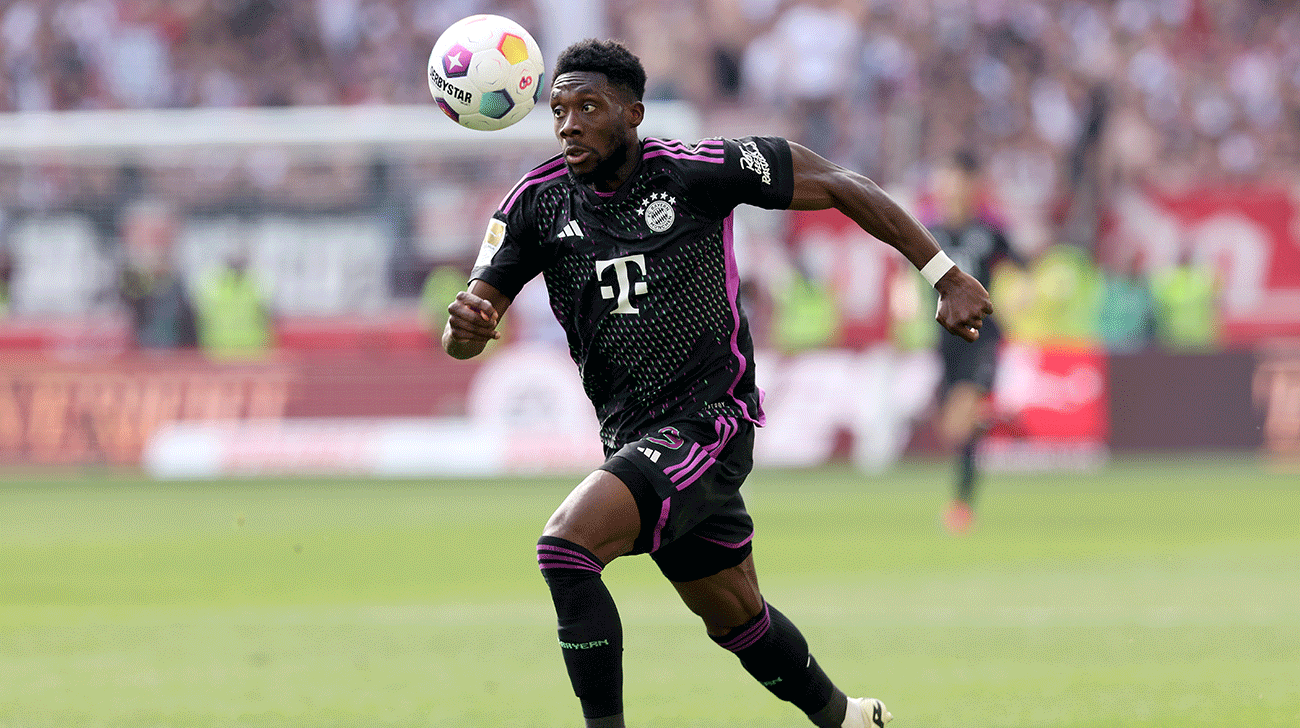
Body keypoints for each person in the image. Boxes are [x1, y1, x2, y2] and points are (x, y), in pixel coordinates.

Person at [442, 39, 991, 728]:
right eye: (559, 110)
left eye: (589, 107)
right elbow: (465, 331)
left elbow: (846, 185)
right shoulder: (534, 205)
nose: (570, 124)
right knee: (736, 617)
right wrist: (466, 329)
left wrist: (945, 274)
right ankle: (848, 719)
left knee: (565, 548)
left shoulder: (695, 173)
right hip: (631, 435)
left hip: (709, 421)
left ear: (633, 112)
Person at [924, 150, 1026, 535]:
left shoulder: (990, 232)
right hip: (944, 341)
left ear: (971, 187)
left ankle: (961, 507)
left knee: (961, 426)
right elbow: (910, 279)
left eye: (954, 179)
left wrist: (1020, 296)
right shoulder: (928, 233)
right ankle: (997, 419)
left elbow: (1021, 268)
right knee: (953, 431)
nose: (947, 187)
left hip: (981, 337)